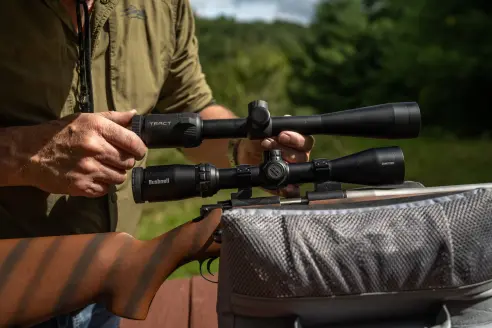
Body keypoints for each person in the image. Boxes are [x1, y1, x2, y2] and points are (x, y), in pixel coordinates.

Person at [0, 0, 314, 327]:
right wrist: (20, 154)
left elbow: (189, 106)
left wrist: (243, 150)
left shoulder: (164, 6)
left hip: (105, 291)